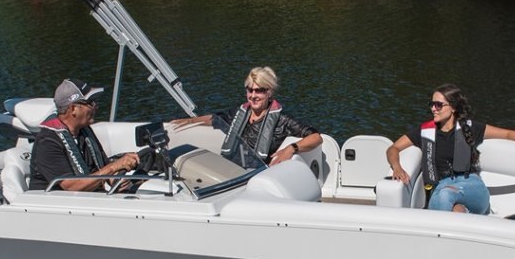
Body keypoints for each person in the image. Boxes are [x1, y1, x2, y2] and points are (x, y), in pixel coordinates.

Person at [384, 83, 515, 214]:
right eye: (432, 104)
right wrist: (397, 167)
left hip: (471, 186)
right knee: (453, 206)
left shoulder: (469, 128)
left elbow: (506, 134)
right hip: (440, 188)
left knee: (446, 195)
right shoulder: (424, 131)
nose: (433, 108)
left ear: (453, 108)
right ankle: (464, 219)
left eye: (438, 105)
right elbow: (393, 148)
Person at [171, 66, 322, 168]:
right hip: (233, 171)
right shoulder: (239, 114)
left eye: (259, 91)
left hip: (259, 175)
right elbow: (215, 119)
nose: (253, 96)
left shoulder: (282, 120)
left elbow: (316, 137)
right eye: (250, 90)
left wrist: (291, 148)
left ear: (269, 92)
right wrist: (190, 121)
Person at [29, 78, 143, 191]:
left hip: (87, 198)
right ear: (73, 109)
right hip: (58, 201)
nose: (96, 107)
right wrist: (114, 167)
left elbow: (103, 168)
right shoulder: (47, 142)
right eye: (90, 103)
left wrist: (119, 179)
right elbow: (72, 187)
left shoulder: (84, 131)